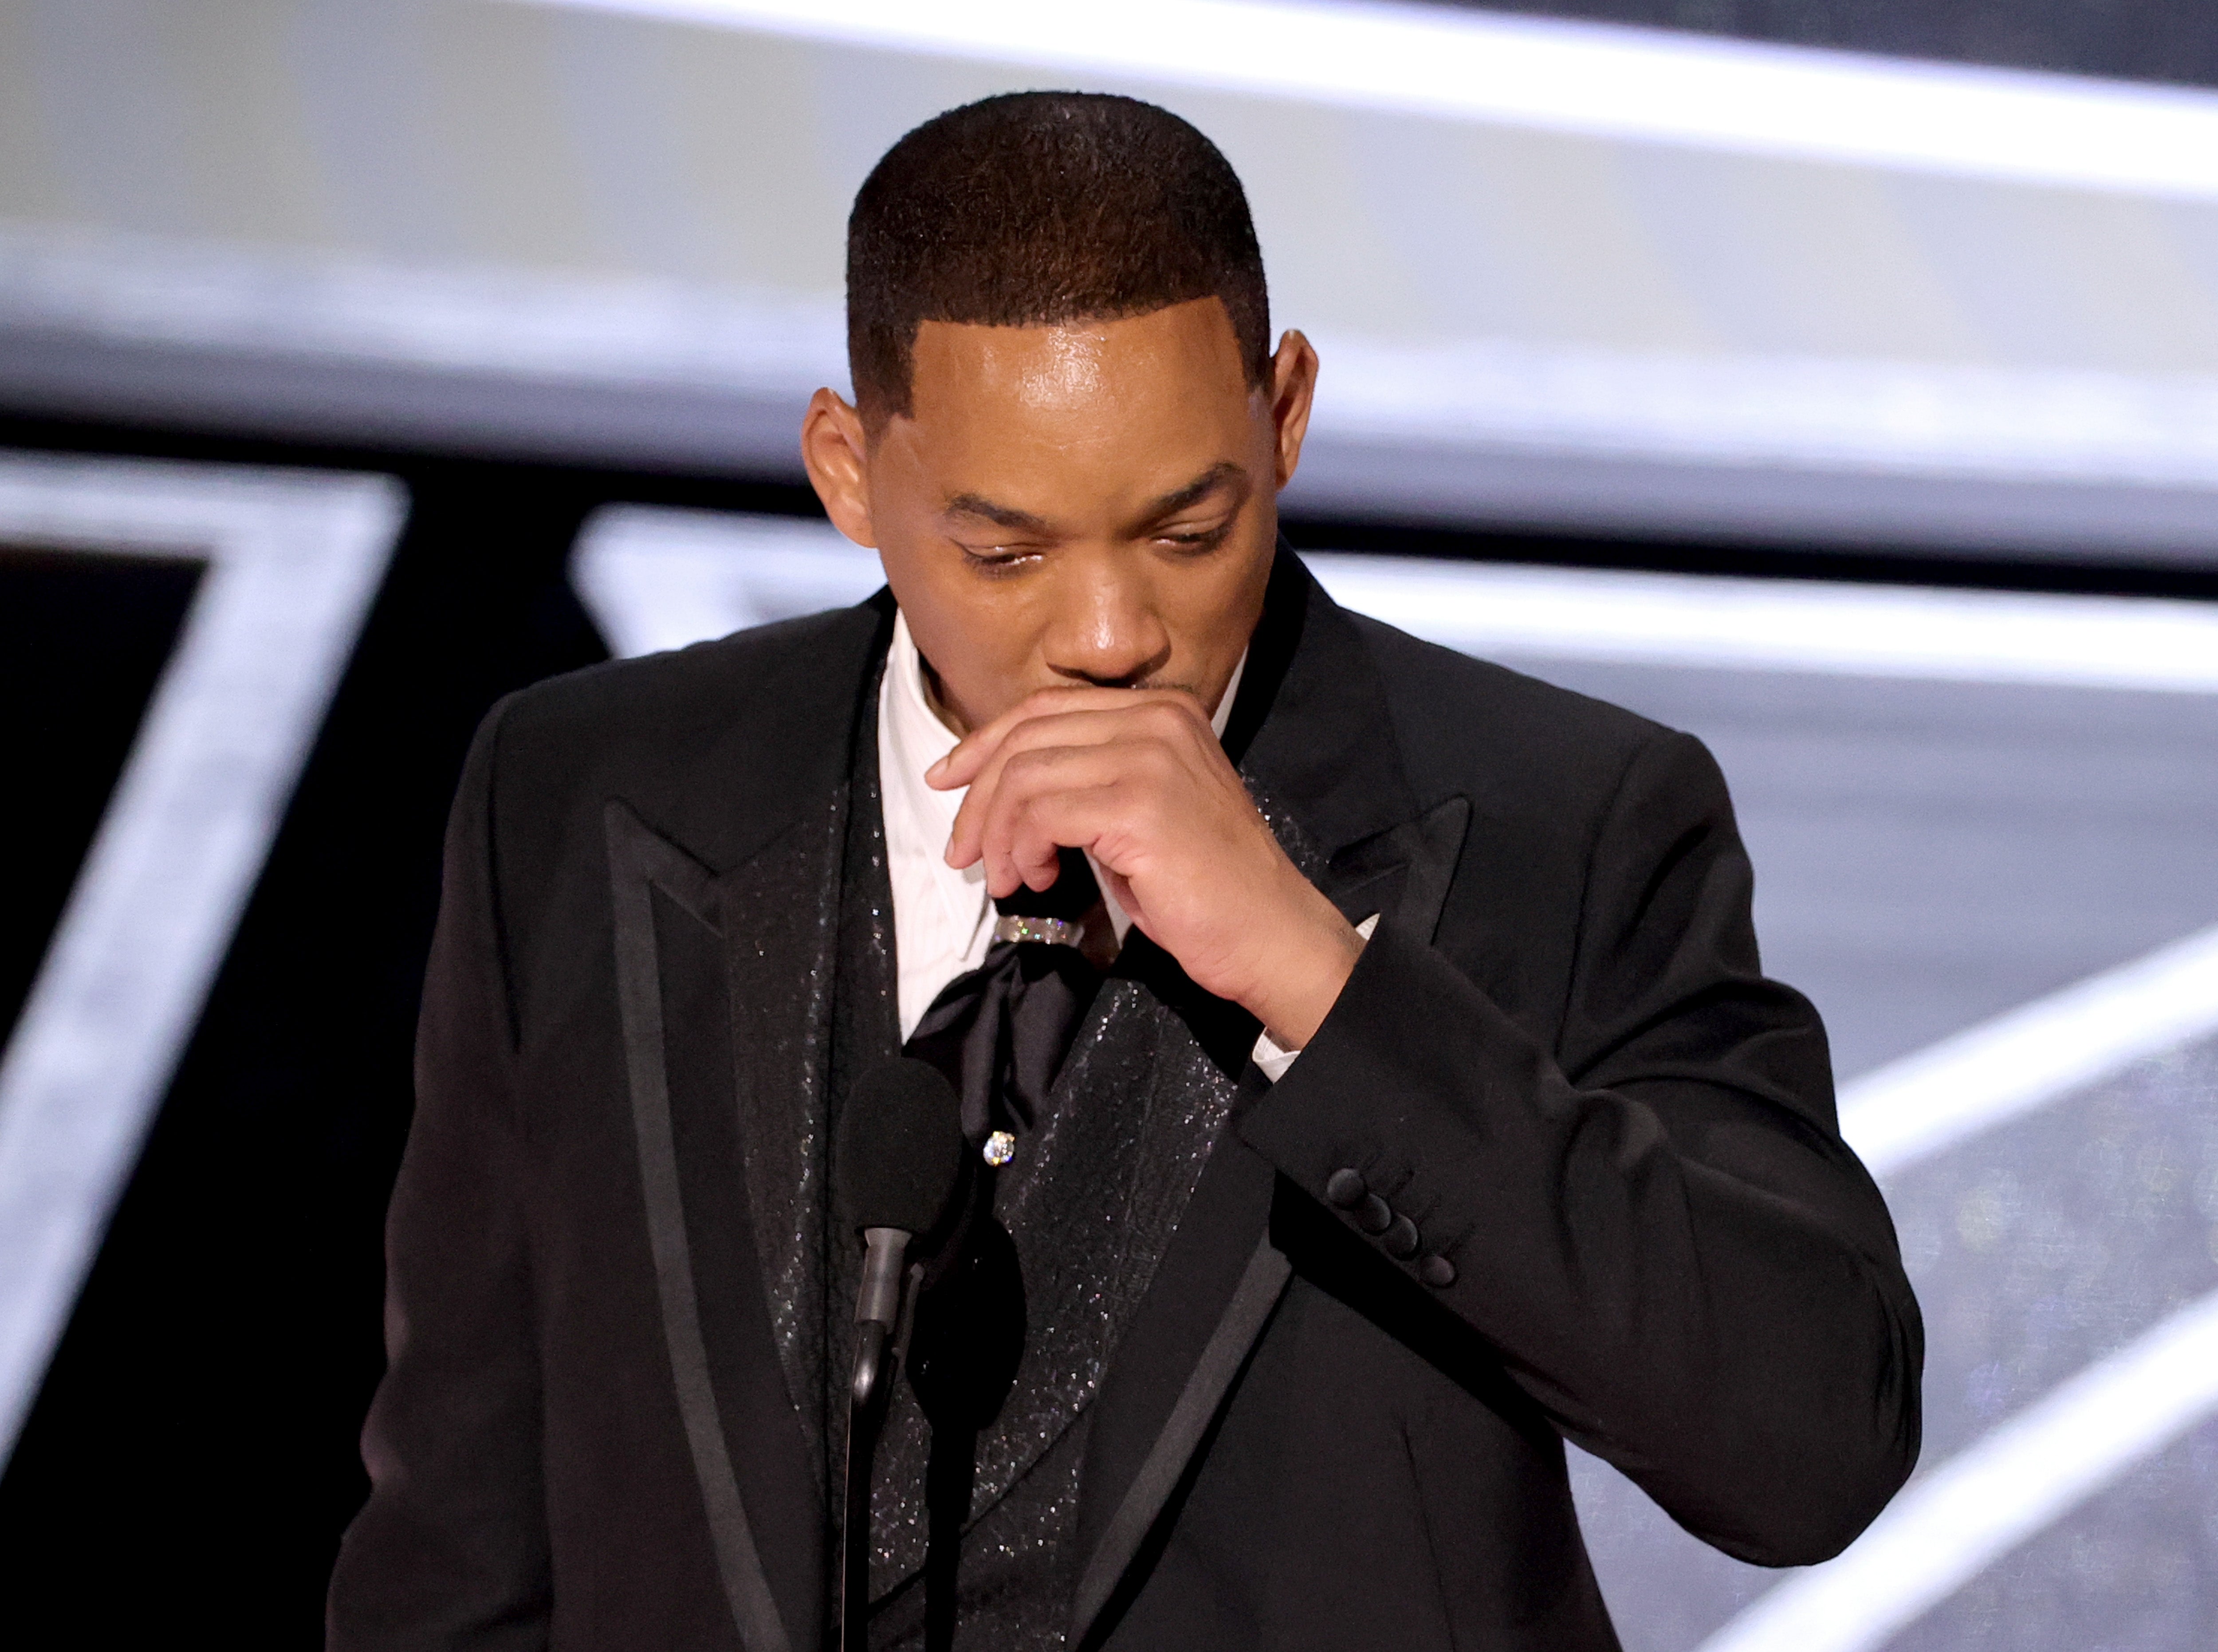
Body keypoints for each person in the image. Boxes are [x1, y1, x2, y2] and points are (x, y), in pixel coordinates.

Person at [327, 92, 1921, 1652]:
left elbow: (1810, 1447)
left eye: (1186, 531)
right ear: (847, 474)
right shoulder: (583, 790)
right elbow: (463, 1536)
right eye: (1005, 553)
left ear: (1283, 413)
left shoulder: (1567, 821)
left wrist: (1323, 980)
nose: (1107, 639)